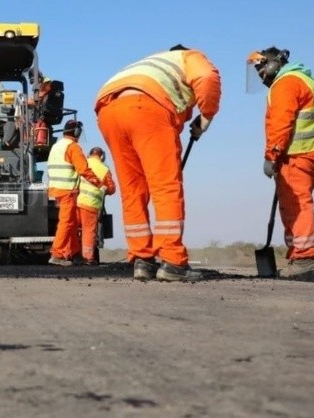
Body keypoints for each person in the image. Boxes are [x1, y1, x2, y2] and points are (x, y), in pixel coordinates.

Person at [94, 44, 222, 282]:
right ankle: (173, 262)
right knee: (165, 186)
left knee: (133, 191)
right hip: (146, 106)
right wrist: (206, 116)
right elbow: (207, 77)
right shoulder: (189, 56)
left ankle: (142, 260)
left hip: (108, 109)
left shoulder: (152, 62)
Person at [246, 47, 314, 277]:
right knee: (294, 202)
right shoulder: (305, 79)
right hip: (311, 153)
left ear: (274, 64)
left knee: (297, 204)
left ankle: (304, 258)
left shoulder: (286, 83)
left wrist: (271, 156)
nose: (261, 74)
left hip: (297, 154)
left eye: (262, 67)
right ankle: (298, 255)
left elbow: (280, 123)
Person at [47, 119, 102, 266]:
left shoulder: (57, 146)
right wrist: (98, 183)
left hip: (56, 189)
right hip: (67, 190)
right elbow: (83, 169)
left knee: (70, 222)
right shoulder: (73, 147)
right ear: (76, 132)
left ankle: (74, 253)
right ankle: (57, 254)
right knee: (66, 222)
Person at [76, 147, 116, 265]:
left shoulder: (84, 163)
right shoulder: (104, 169)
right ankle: (88, 258)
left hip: (77, 201)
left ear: (90, 154)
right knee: (89, 231)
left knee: (75, 229)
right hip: (91, 204)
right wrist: (104, 190)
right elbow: (112, 189)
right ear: (102, 156)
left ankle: (73, 255)